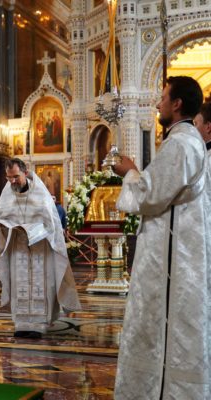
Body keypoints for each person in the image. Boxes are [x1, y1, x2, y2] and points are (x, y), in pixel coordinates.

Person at [112, 76, 210, 399]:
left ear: (177, 104)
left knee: (160, 325)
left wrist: (129, 170)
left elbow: (149, 195)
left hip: (171, 259)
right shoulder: (188, 141)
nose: (158, 103)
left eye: (163, 98)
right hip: (181, 250)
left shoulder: (180, 144)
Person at [0, 158, 80, 339]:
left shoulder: (40, 194)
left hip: (40, 248)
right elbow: (2, 221)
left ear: (25, 172)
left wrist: (34, 230)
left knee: (40, 285)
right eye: (9, 178)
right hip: (18, 248)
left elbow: (52, 225)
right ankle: (21, 323)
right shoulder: (6, 196)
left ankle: (39, 323)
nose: (12, 181)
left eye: (16, 177)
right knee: (19, 284)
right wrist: (0, 228)